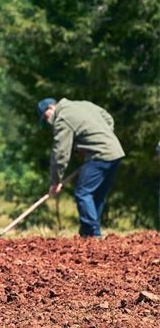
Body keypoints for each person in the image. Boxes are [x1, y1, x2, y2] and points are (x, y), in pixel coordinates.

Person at [36, 97, 125, 237]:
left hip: (100, 155)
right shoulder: (82, 104)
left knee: (83, 193)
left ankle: (93, 235)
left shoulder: (62, 119)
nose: (47, 122)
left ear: (51, 108)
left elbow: (60, 153)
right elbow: (108, 118)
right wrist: (103, 138)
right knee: (97, 195)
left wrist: (55, 182)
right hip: (115, 152)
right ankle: (87, 234)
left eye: (45, 117)